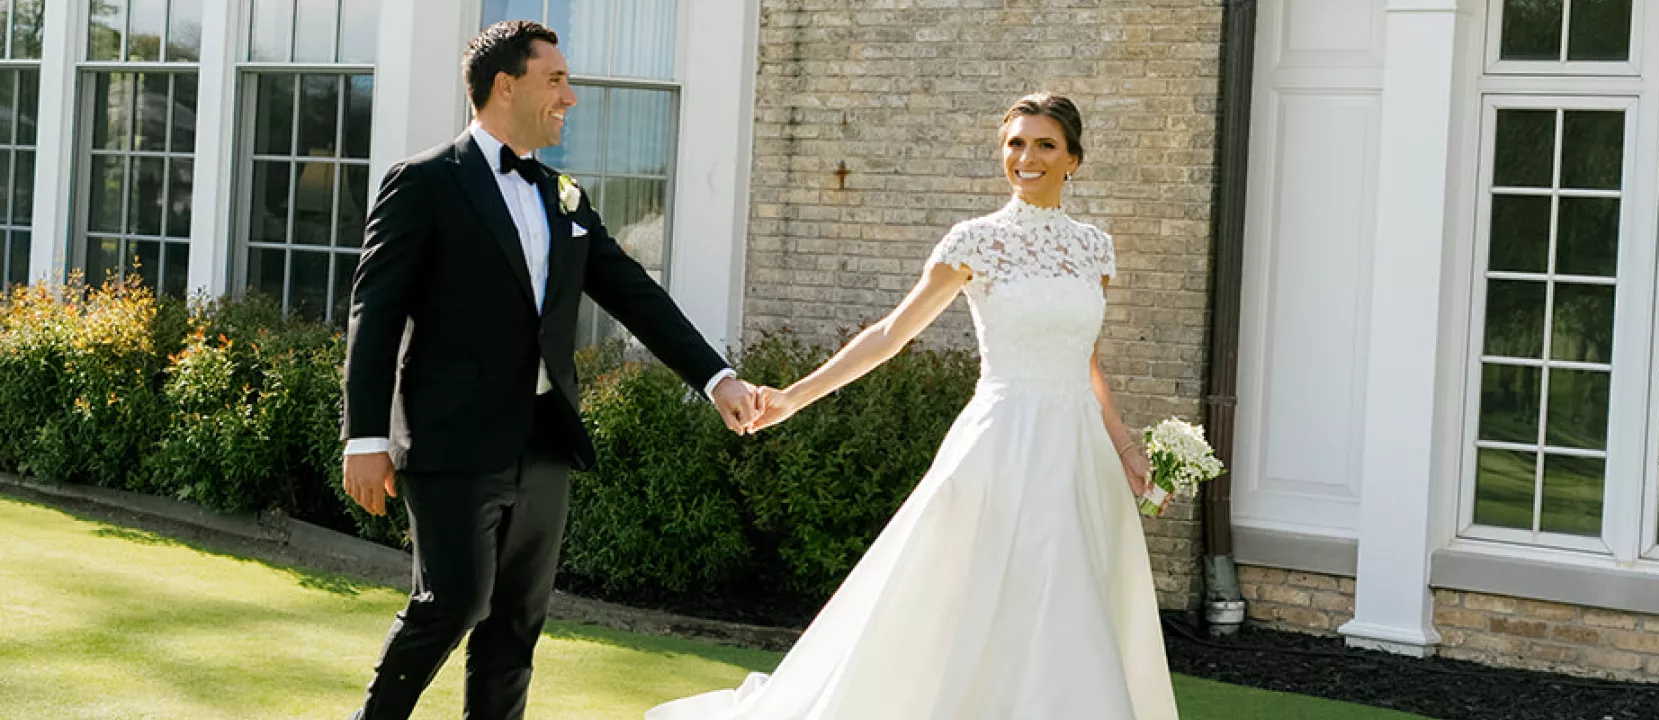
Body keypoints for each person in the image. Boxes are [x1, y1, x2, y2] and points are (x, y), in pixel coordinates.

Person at [645, 93, 1179, 719]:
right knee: (970, 598)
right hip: (1001, 445)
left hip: (1079, 454)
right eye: (1015, 143)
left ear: (1073, 160)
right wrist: (793, 398)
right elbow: (890, 334)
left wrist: (1126, 447)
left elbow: (1087, 364)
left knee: (1072, 601)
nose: (1026, 157)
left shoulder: (1094, 249)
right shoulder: (976, 242)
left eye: (1044, 145)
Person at [337, 21, 761, 720]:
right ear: (506, 86)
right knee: (452, 603)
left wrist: (717, 379)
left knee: (516, 625)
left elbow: (634, 293)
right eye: (556, 80)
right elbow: (374, 313)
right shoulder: (424, 183)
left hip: (543, 440)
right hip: (450, 439)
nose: (571, 97)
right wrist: (364, 436)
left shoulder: (562, 194)